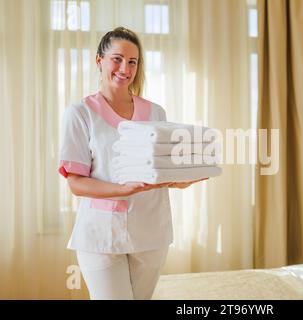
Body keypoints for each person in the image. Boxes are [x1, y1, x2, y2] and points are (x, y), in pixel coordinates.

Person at [58, 27, 202, 300]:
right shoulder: (80, 113)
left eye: (133, 61)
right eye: (117, 58)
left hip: (151, 234)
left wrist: (181, 179)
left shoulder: (155, 112)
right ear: (99, 61)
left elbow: (161, 169)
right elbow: (76, 183)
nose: (125, 68)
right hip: (102, 235)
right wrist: (124, 189)